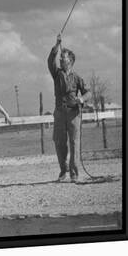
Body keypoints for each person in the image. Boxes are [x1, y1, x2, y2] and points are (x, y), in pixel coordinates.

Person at [47, 34, 91, 183]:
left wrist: (82, 99)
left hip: (74, 114)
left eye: (63, 58)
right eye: (60, 58)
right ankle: (63, 169)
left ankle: (74, 173)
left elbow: (88, 92)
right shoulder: (57, 74)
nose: (60, 60)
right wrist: (57, 46)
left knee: (74, 143)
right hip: (59, 113)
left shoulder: (77, 77)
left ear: (70, 61)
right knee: (59, 141)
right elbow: (50, 61)